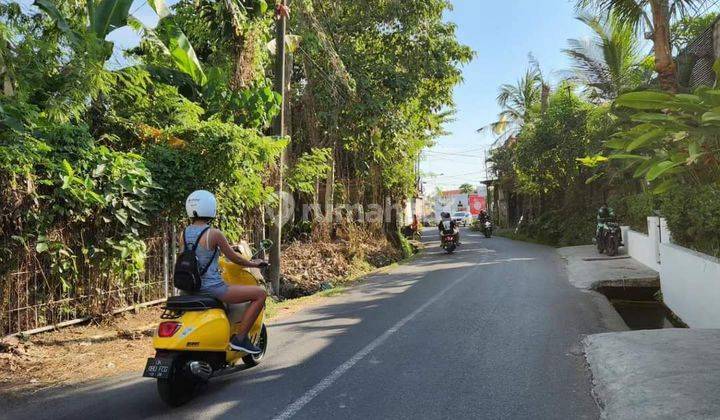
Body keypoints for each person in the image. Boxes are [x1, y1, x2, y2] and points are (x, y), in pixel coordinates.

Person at [182, 190, 268, 354]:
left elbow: (188, 257)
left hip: (189, 287)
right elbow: (235, 258)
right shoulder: (213, 234)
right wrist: (254, 264)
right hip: (212, 288)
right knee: (260, 294)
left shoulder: (184, 234)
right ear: (210, 208)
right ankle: (240, 339)